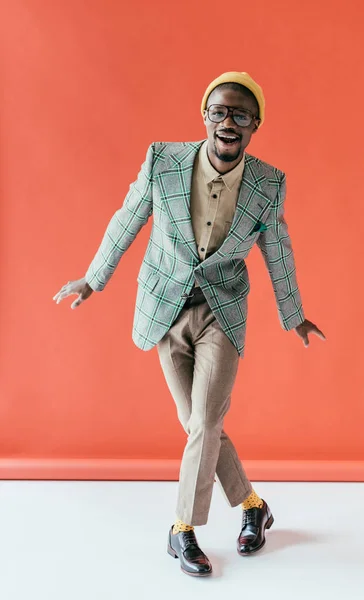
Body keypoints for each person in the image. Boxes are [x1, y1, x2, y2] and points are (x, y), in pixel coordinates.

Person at [53, 71, 326, 578]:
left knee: (203, 422)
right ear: (205, 116)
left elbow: (277, 250)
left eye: (240, 115)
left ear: (254, 125)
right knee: (200, 424)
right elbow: (128, 217)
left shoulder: (268, 184)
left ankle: (182, 530)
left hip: (222, 312)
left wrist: (295, 316)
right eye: (220, 111)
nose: (228, 121)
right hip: (164, 307)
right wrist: (94, 278)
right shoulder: (164, 161)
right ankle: (252, 508)